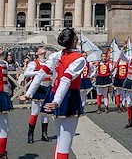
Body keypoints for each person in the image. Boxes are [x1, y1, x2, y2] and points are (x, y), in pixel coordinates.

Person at [21, 27, 85, 159]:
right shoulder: (79, 59)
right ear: (74, 41)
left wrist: (29, 93)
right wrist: (57, 101)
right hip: (69, 97)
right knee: (65, 143)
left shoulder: (56, 55)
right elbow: (66, 80)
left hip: (56, 93)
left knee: (61, 140)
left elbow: (41, 74)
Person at [24, 46, 52, 143]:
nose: (43, 49)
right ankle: (30, 134)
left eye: (44, 48)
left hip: (47, 88)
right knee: (34, 112)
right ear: (37, 53)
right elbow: (26, 74)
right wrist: (38, 73)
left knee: (46, 113)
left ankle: (44, 134)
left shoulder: (49, 62)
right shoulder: (34, 63)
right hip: (38, 88)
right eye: (40, 48)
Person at [0, 48, 13, 158]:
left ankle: (2, 153)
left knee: (5, 126)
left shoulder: (4, 63)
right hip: (1, 94)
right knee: (4, 126)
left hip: (3, 93)